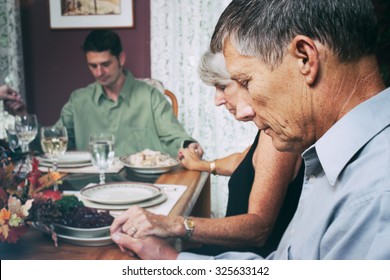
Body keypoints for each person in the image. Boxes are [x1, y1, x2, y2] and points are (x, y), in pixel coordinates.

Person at [110, 0, 390, 260]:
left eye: (246, 81)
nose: (245, 110)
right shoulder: (332, 156)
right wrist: (170, 260)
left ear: (305, 58)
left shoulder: (376, 196)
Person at [110, 50, 304, 257]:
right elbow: (247, 160)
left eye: (222, 87)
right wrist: (203, 165)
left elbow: (258, 229)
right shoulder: (271, 130)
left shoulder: (278, 134)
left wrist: (173, 225)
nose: (217, 100)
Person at [54, 29, 202, 157]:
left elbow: (174, 137)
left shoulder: (150, 96)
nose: (99, 72)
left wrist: (189, 146)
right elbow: (55, 139)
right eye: (93, 66)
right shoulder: (79, 100)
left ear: (121, 58)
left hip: (145, 185)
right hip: (90, 185)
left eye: (105, 64)